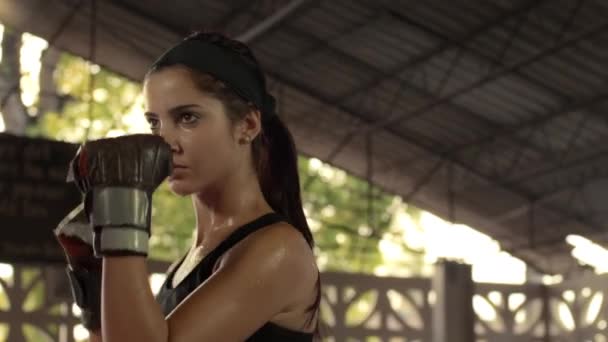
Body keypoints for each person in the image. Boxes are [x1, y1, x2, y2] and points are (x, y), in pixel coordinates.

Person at [55, 31, 321, 341]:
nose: (165, 142)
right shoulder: (186, 264)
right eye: (155, 122)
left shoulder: (278, 250)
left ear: (247, 125)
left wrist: (120, 228)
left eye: (187, 118)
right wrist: (96, 285)